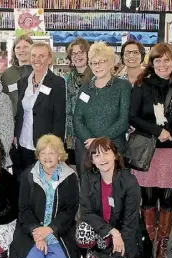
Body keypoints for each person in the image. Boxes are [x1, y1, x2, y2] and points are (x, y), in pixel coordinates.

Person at [129, 43, 172, 258]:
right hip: (148, 151)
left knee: (167, 199)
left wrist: (171, 134)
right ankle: (149, 241)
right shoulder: (142, 85)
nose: (162, 64)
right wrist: (157, 131)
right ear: (151, 63)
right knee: (148, 198)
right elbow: (133, 117)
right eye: (158, 60)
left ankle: (162, 245)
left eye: (167, 60)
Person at [9, 134, 79, 258]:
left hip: (58, 233)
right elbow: (24, 208)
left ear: (59, 155)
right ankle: (39, 253)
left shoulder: (70, 177)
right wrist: (37, 233)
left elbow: (70, 209)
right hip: (32, 232)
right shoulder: (28, 175)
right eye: (43, 153)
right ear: (38, 155)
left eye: (51, 153)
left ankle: (48, 254)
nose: (47, 157)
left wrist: (51, 228)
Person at [80, 137, 143, 258]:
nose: (102, 159)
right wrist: (112, 231)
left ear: (115, 155)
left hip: (124, 233)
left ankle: (108, 255)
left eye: (106, 153)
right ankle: (92, 253)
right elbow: (86, 212)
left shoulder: (129, 181)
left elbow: (130, 221)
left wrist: (123, 247)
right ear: (92, 161)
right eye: (97, 155)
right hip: (103, 230)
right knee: (82, 230)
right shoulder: (87, 177)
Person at [73, 42, 130, 175]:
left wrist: (99, 142)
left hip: (112, 149)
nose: (97, 66)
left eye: (101, 62)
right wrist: (91, 143)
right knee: (88, 190)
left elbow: (123, 120)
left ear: (111, 62)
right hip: (86, 148)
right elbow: (77, 119)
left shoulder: (123, 86)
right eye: (93, 63)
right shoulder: (85, 87)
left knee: (113, 190)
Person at [14, 41, 66, 176]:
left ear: (49, 59)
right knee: (25, 181)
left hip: (45, 147)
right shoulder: (22, 82)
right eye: (33, 55)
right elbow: (20, 113)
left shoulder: (57, 83)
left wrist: (55, 146)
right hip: (24, 142)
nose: (37, 60)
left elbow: (59, 118)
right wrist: (15, 134)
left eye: (41, 56)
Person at [64, 38, 93, 161]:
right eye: (74, 53)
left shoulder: (95, 76)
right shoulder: (68, 78)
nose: (77, 56)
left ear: (88, 54)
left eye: (81, 52)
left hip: (91, 132)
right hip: (72, 134)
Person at [1, 35, 33, 115]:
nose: (21, 50)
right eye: (18, 47)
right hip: (13, 123)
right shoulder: (7, 75)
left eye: (25, 47)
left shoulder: (40, 71)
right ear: (14, 51)